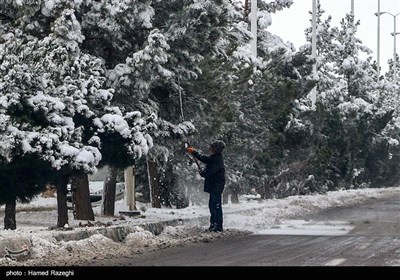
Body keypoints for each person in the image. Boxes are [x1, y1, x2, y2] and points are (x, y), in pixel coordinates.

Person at [186, 140, 226, 232]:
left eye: (212, 147)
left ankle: (218, 226)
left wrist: (203, 173)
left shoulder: (217, 160)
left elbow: (210, 172)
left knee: (216, 206)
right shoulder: (214, 157)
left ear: (216, 149)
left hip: (217, 186)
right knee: (212, 205)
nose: (210, 148)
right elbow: (205, 159)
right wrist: (194, 152)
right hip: (214, 185)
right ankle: (213, 224)